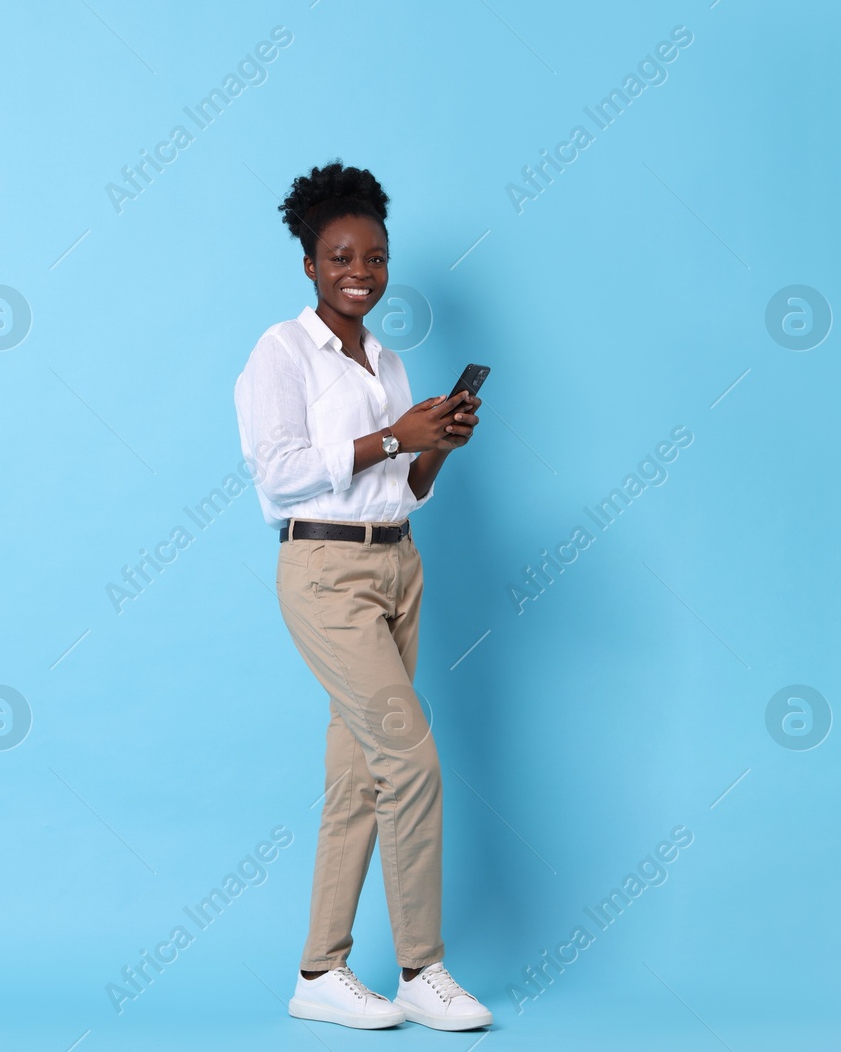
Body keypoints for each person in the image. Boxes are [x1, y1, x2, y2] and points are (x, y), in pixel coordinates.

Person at [234, 161, 492, 1032]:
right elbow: (279, 479)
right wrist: (389, 435)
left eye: (375, 257)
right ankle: (422, 967)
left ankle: (320, 970)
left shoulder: (385, 357)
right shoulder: (280, 353)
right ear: (308, 261)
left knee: (358, 778)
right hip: (326, 575)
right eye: (340, 255)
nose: (361, 271)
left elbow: (401, 490)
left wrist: (436, 442)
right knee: (411, 761)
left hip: (397, 567)